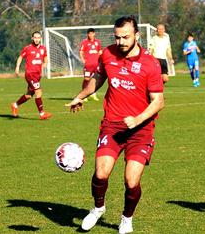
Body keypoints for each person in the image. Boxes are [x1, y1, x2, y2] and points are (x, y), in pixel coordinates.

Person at [66, 15, 164, 234]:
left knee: (131, 180)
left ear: (137, 36)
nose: (121, 42)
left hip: (141, 130)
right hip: (112, 125)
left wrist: (138, 119)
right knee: (101, 173)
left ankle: (126, 218)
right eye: (117, 37)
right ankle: (98, 208)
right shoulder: (108, 53)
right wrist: (80, 96)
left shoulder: (150, 64)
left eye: (126, 37)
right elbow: (98, 79)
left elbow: (159, 101)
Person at [11, 31, 52, 120]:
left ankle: (15, 105)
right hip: (30, 74)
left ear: (40, 38)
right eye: (35, 37)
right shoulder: (28, 48)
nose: (37, 39)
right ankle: (42, 114)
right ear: (32, 38)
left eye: (38, 38)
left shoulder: (43, 49)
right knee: (38, 91)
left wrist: (43, 66)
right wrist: (17, 67)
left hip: (37, 75)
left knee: (29, 95)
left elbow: (45, 61)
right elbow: (21, 57)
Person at [79, 28, 102, 101]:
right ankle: (84, 95)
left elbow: (100, 50)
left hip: (96, 64)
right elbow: (81, 51)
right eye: (89, 33)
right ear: (87, 34)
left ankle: (93, 94)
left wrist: (101, 57)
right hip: (88, 65)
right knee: (86, 79)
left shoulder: (98, 42)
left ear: (94, 34)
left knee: (95, 80)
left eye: (92, 33)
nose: (91, 35)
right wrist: (83, 60)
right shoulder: (85, 42)